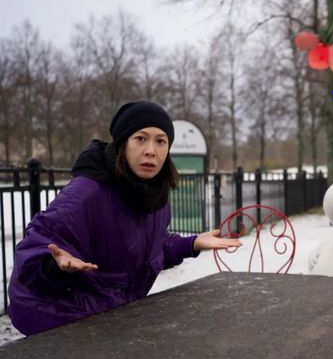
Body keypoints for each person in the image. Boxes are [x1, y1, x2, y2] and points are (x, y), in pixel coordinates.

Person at [7, 101, 241, 336]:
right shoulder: (86, 193)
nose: (151, 150)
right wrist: (53, 265)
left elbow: (149, 250)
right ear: (123, 144)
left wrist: (191, 244)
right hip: (59, 318)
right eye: (141, 139)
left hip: (112, 317)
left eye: (161, 141)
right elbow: (33, 252)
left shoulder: (155, 196)